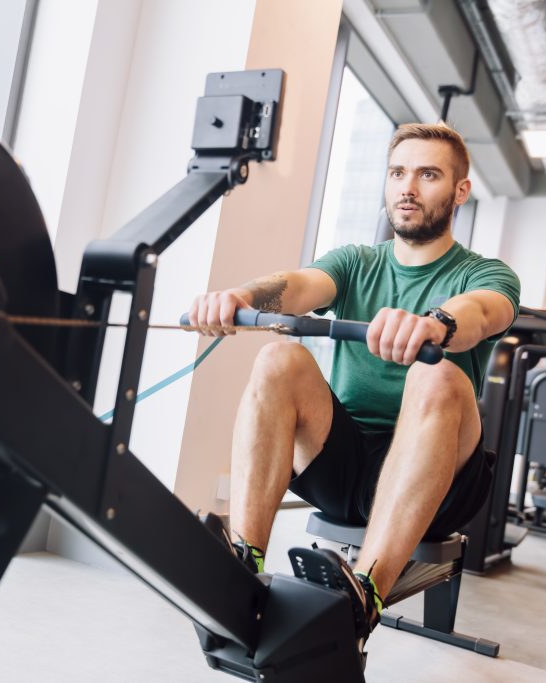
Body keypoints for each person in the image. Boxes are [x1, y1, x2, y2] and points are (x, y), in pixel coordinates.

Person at [188, 123, 520, 655]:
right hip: (343, 468)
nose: (407, 187)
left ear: (460, 191)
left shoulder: (485, 273)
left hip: (439, 485)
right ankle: (243, 568)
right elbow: (298, 286)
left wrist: (437, 323)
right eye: (397, 173)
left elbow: (484, 310)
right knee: (279, 357)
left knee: (435, 374)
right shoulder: (357, 262)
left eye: (428, 174)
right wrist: (241, 294)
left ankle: (362, 597)